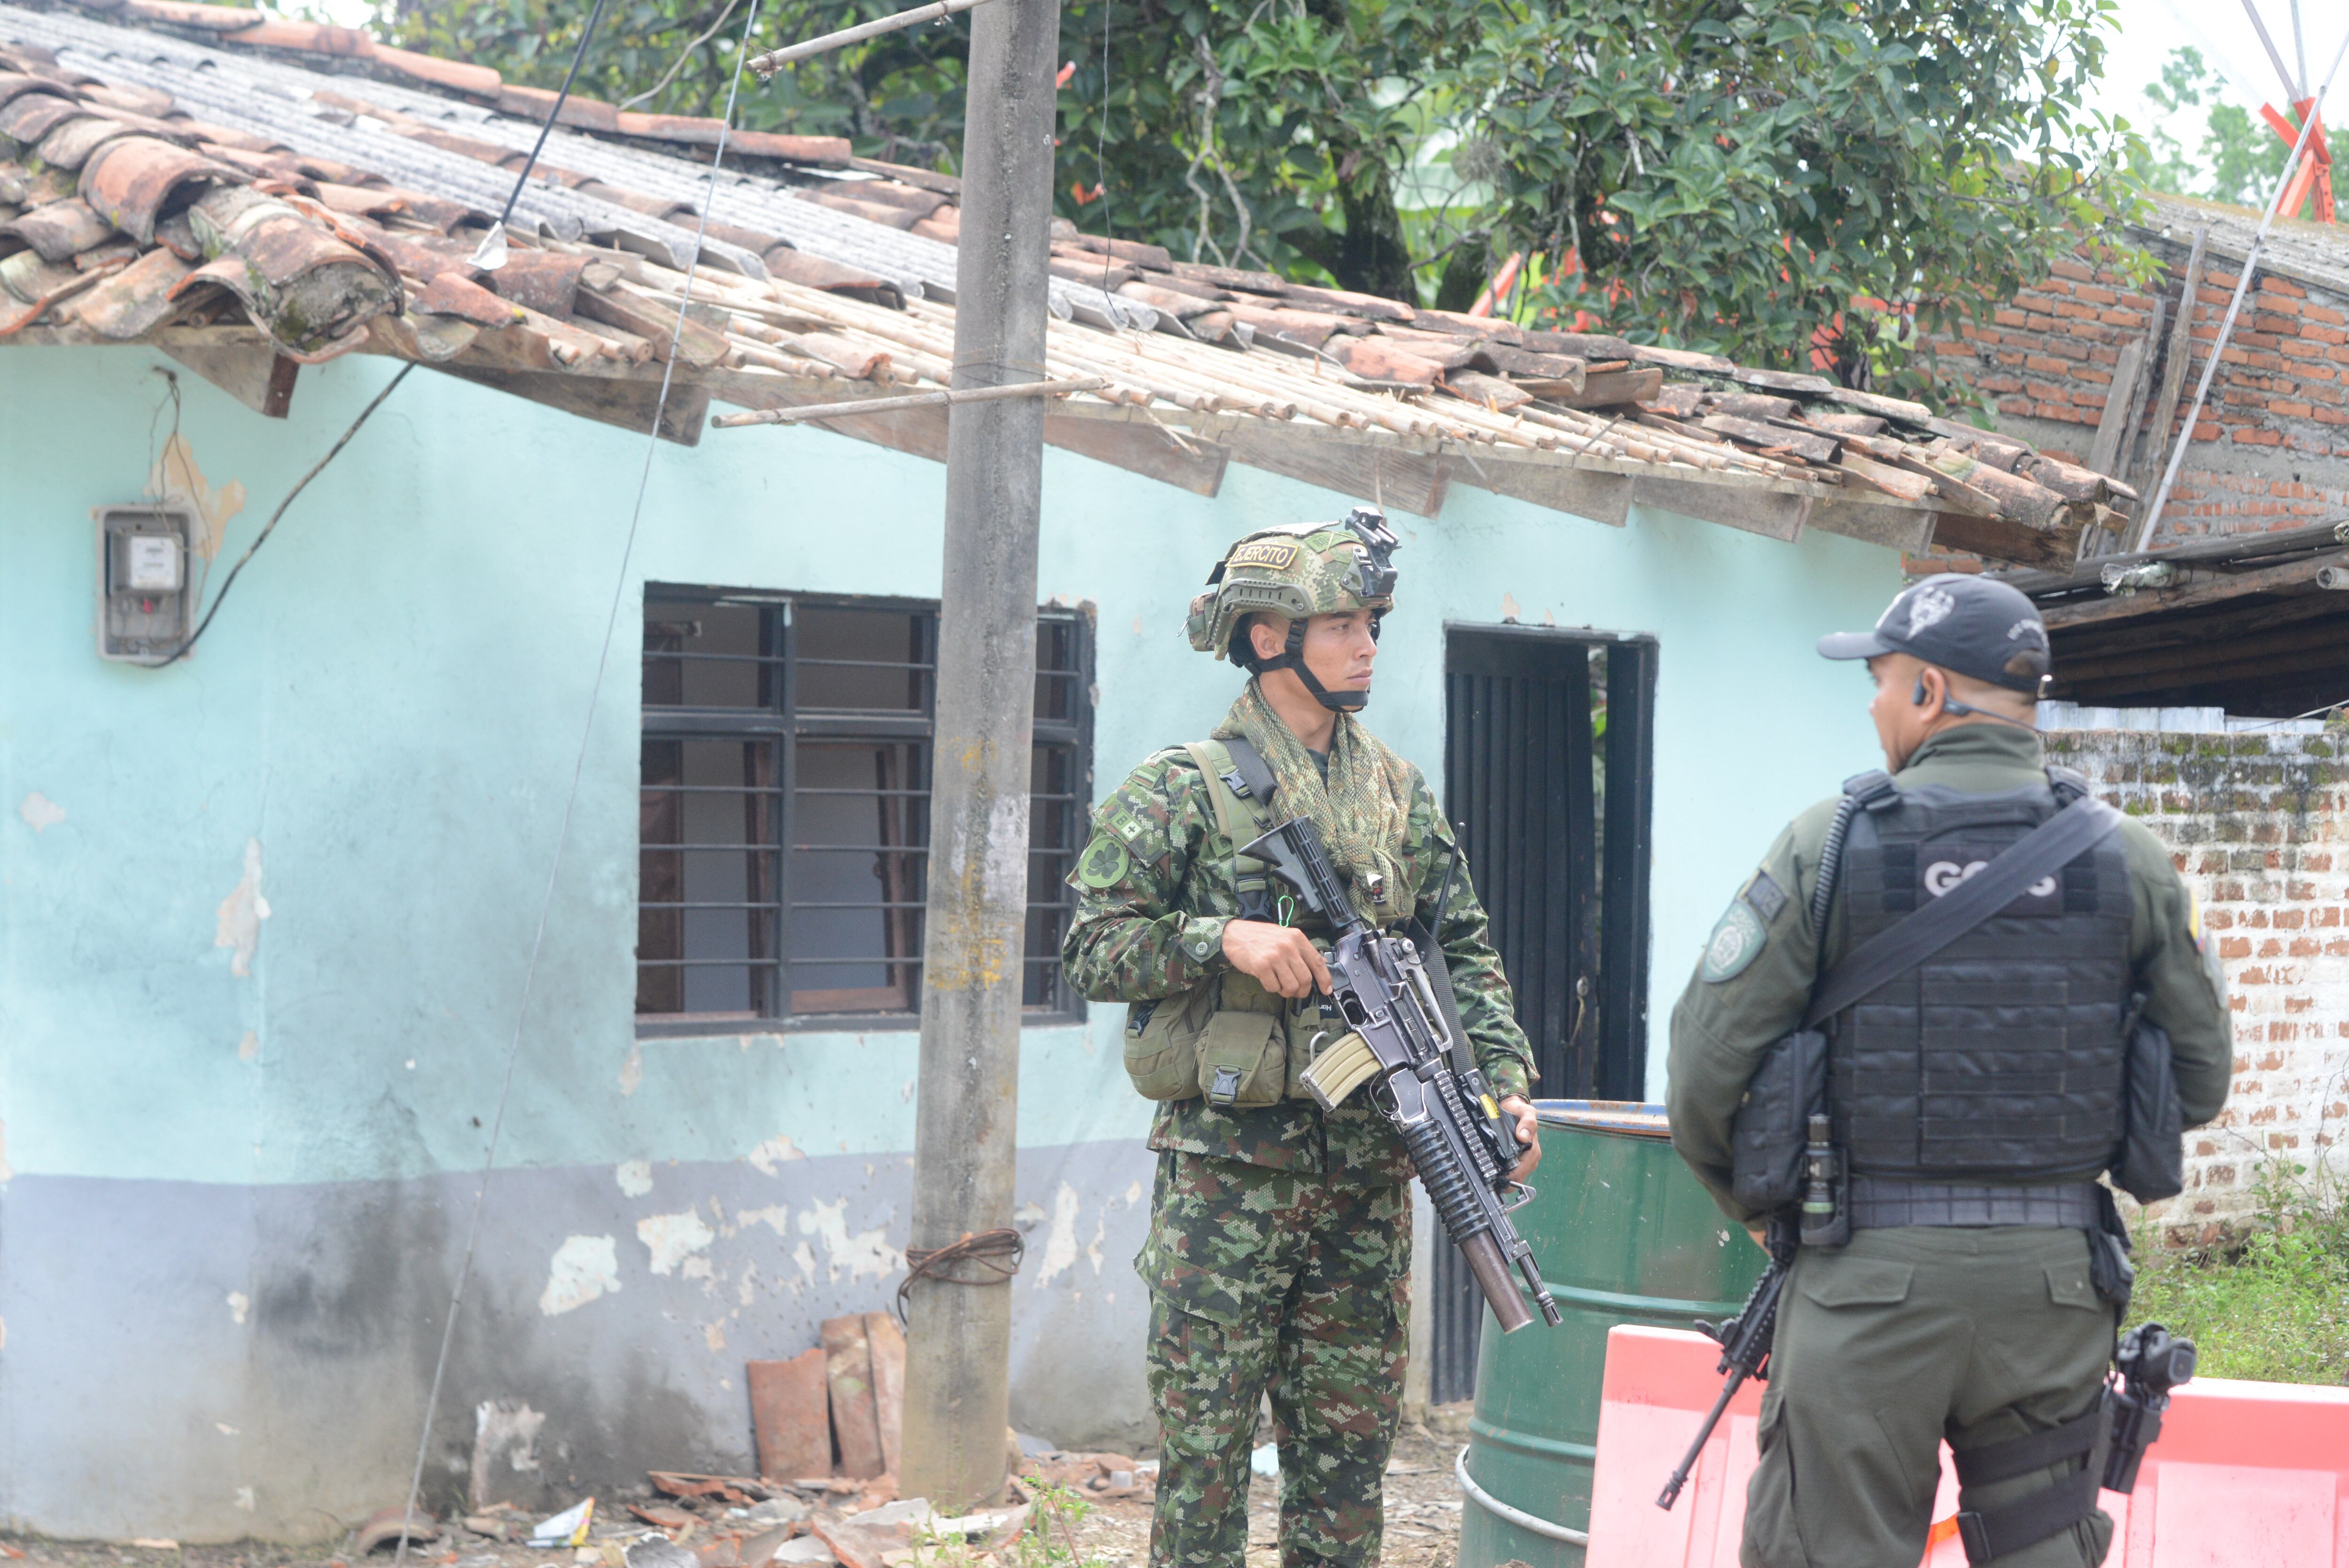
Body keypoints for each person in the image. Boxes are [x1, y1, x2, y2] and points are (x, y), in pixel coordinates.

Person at [1666, 573, 2233, 1568]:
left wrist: (1768, 1210)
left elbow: (1705, 1075)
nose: (1875, 707)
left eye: (1882, 683)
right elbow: (2198, 1079)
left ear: (1929, 692)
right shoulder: (2128, 860)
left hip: (1862, 1286)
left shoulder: (1827, 846)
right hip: (2053, 1294)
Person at [1062, 511, 1540, 1568]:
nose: (1368, 642)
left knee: (1346, 1464)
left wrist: (1501, 1082)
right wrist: (1219, 936)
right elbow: (1091, 948)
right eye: (1343, 622)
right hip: (1228, 1181)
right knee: (1206, 1454)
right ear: (1268, 635)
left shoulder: (1399, 792)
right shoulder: (1181, 788)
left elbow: (1461, 948)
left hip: (1367, 1178)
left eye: (1372, 620)